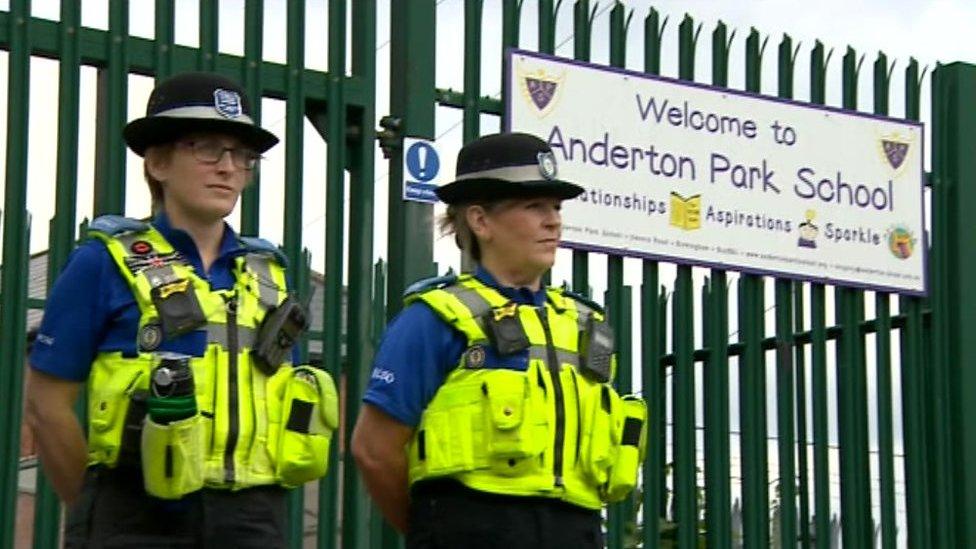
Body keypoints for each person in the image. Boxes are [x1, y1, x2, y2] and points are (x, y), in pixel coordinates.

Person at [24, 72, 338, 548]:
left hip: (253, 518)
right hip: (135, 514)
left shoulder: (269, 275)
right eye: (208, 148)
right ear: (158, 162)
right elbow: (46, 405)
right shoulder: (102, 263)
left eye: (242, 155)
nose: (228, 167)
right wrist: (92, 509)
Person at [351, 132, 647, 548]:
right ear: (480, 220)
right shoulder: (435, 319)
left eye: (556, 207)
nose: (553, 221)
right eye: (533, 206)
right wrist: (435, 533)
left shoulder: (584, 325)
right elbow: (374, 450)